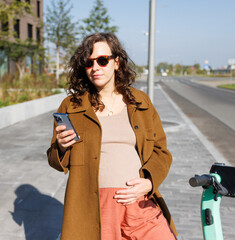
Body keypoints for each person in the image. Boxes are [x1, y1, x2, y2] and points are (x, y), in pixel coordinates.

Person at [47, 32, 177, 240]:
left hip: (138, 202)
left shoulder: (141, 102)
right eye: (89, 63)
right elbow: (54, 160)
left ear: (116, 62)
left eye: (102, 60)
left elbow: (161, 152)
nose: (95, 67)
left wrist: (149, 183)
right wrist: (61, 147)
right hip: (96, 208)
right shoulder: (71, 106)